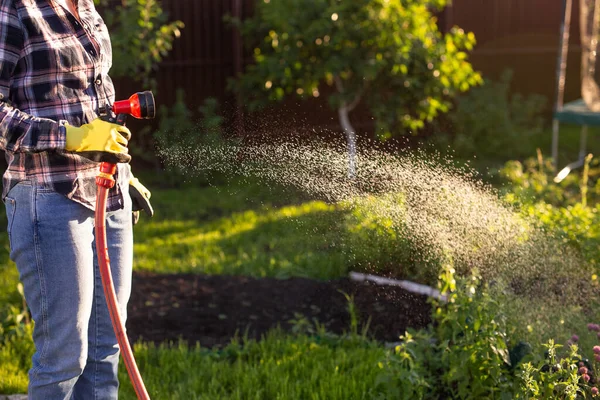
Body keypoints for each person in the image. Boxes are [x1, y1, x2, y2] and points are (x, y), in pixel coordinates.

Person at [0, 0, 152, 398]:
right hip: (47, 194)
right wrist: (70, 137)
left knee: (106, 352)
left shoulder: (84, 5)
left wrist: (125, 172)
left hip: (105, 190)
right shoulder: (14, 9)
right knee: (65, 357)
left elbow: (94, 95)